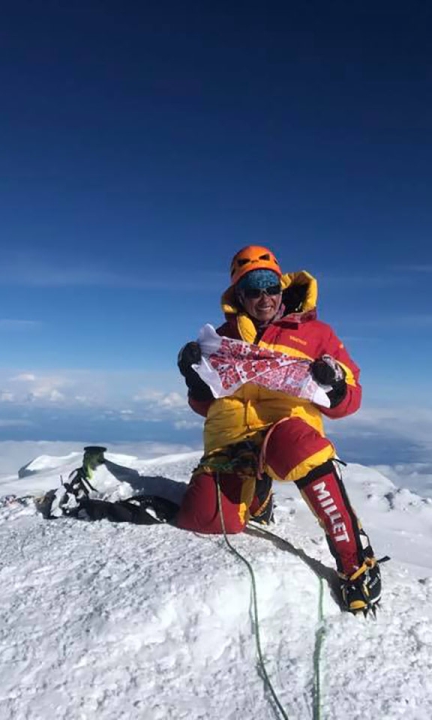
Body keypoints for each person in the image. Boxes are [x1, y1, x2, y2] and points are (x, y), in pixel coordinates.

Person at [173, 245, 382, 615]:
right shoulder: (220, 338)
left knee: (299, 448)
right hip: (230, 440)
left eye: (270, 285)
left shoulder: (316, 334)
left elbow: (350, 400)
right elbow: (207, 404)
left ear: (282, 286)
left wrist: (333, 384)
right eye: (252, 288)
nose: (263, 296)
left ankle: (355, 561)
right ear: (238, 294)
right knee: (203, 518)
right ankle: (259, 498)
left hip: (285, 435)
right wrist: (193, 378)